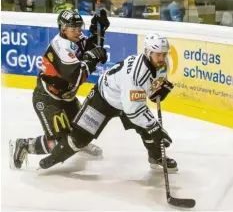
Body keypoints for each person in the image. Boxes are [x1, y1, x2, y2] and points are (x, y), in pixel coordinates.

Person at [38, 33, 178, 172]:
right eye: (158, 54)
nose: (161, 58)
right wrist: (155, 128)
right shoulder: (136, 75)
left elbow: (149, 94)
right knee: (79, 140)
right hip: (103, 99)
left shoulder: (162, 65)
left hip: (124, 100)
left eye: (164, 54)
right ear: (148, 52)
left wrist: (158, 92)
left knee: (146, 127)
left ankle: (156, 157)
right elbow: (133, 110)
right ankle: (53, 158)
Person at [10, 9, 110, 169]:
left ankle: (80, 143)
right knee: (59, 143)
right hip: (48, 98)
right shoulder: (60, 48)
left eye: (79, 26)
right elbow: (77, 77)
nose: (78, 31)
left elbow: (94, 51)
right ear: (63, 28)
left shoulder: (77, 38)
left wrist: (100, 31)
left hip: (67, 97)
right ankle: (25, 145)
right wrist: (91, 58)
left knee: (84, 129)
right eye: (74, 27)